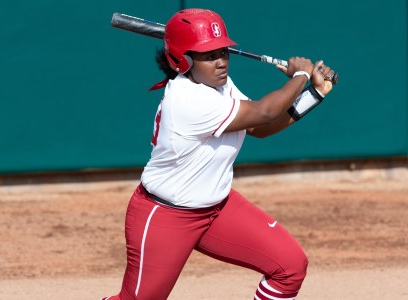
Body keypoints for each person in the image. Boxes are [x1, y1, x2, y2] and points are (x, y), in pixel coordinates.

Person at [103, 8, 335, 300]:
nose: (221, 61)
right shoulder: (188, 99)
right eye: (208, 55)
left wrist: (314, 94)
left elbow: (260, 127)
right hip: (166, 215)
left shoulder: (219, 86)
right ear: (182, 60)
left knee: (290, 267)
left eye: (223, 51)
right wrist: (300, 74)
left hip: (218, 209)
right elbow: (264, 111)